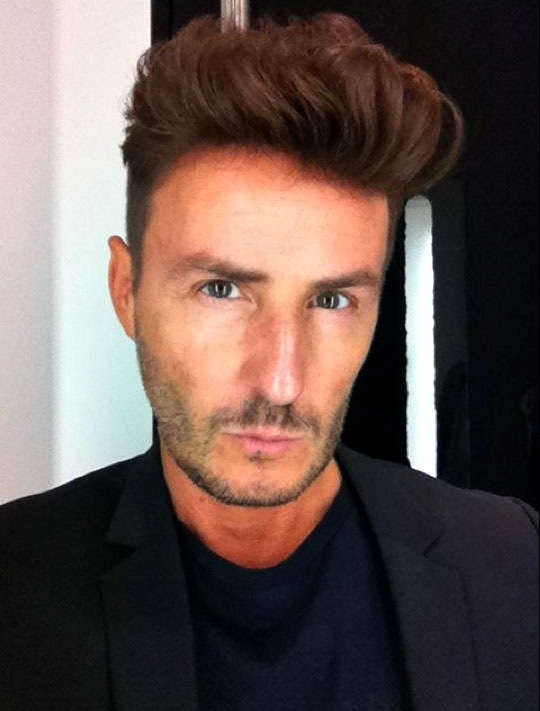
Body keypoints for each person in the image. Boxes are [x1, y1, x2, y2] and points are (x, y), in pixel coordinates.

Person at [0, 13, 537, 711]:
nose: (281, 382)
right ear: (126, 292)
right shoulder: (15, 588)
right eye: (222, 289)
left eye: (332, 300)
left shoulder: (513, 563)